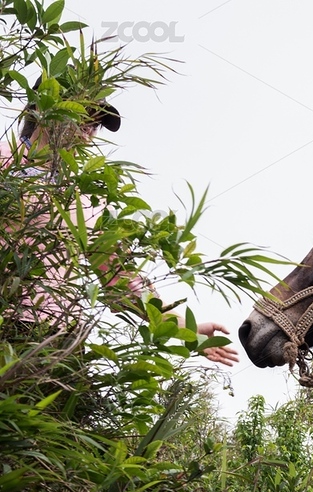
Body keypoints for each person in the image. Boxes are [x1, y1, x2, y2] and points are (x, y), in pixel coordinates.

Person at [1, 78, 239, 366]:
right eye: (82, 116)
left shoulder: (86, 196)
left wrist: (187, 330)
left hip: (59, 341)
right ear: (43, 106)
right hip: (7, 325)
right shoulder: (4, 164)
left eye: (94, 124)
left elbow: (121, 279)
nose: (88, 131)